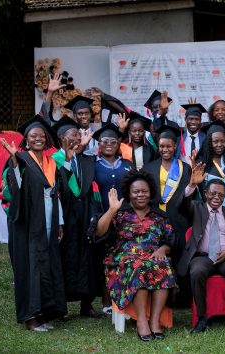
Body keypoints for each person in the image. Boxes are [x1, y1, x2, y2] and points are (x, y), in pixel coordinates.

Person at [0, 115, 67, 331]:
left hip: (49, 216)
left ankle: (44, 313)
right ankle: (30, 316)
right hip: (27, 222)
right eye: (32, 136)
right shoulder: (20, 158)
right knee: (30, 265)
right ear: (26, 140)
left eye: (41, 135)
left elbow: (57, 193)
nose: (37, 139)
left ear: (46, 139)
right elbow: (14, 190)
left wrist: (60, 222)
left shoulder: (50, 162)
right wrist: (13, 162)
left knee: (46, 264)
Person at [96, 170, 176, 341]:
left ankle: (154, 321)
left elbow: (172, 240)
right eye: (136, 191)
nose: (141, 195)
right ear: (129, 193)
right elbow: (99, 232)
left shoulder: (159, 216)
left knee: (163, 267)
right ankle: (141, 320)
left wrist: (163, 249)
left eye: (144, 191)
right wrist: (111, 210)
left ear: (150, 192)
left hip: (152, 257)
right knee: (139, 267)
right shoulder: (120, 214)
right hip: (123, 260)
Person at [177, 176, 225, 334]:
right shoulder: (196, 208)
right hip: (203, 257)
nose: (217, 197)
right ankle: (202, 318)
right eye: (213, 194)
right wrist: (191, 184)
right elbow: (182, 205)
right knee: (196, 271)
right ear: (205, 193)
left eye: (221, 195)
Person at [51, 116, 103, 318]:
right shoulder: (53, 160)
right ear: (62, 138)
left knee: (86, 258)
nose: (78, 138)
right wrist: (70, 157)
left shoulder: (86, 160)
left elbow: (90, 188)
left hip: (84, 215)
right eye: (73, 135)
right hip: (65, 215)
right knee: (65, 257)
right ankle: (61, 306)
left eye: (79, 135)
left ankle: (86, 304)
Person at [92, 123, 133, 313]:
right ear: (99, 144)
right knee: (103, 259)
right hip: (103, 217)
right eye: (105, 141)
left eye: (113, 141)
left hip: (124, 218)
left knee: (122, 258)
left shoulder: (127, 165)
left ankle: (123, 297)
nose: (109, 144)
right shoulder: (92, 166)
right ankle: (107, 301)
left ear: (119, 144)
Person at [142, 121, 192, 255]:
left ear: (175, 146)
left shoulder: (185, 168)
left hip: (178, 216)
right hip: (155, 216)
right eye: (161, 146)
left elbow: (188, 196)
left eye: (169, 146)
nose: (165, 150)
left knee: (178, 252)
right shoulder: (149, 168)